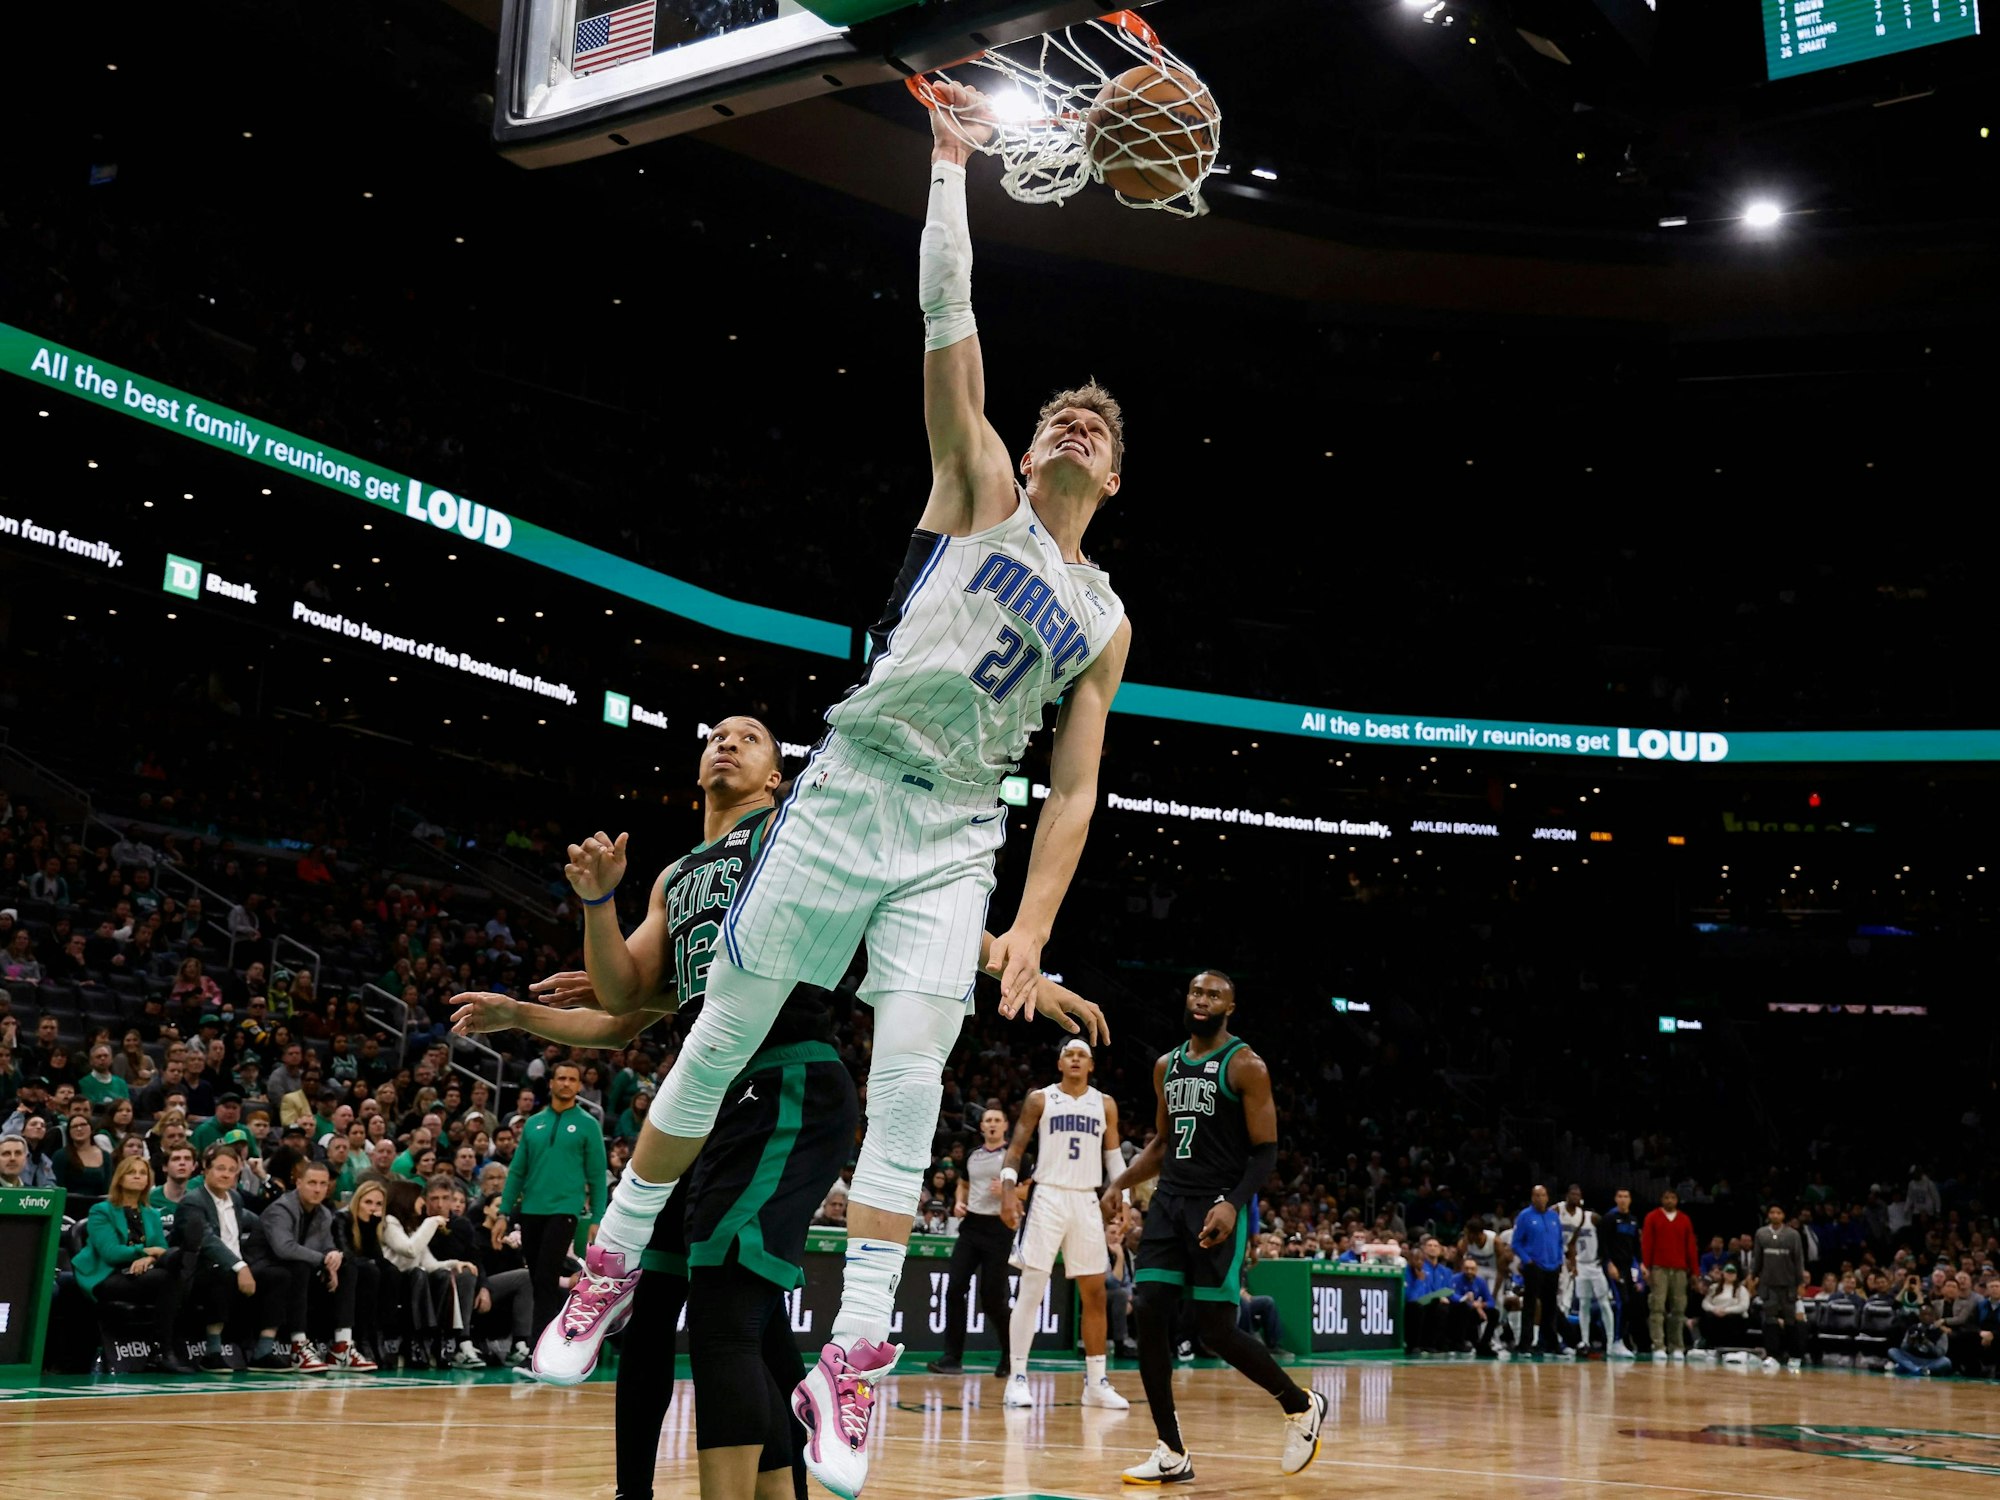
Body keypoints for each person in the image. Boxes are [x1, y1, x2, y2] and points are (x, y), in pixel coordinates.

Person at [563, 74, 1136, 1491]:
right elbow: (947, 322)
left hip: (955, 826)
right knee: (722, 1029)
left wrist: (1032, 930)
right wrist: (948, 167)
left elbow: (1072, 793)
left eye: (1098, 431)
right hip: (853, 780)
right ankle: (612, 1257)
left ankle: (858, 1354)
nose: (1074, 428)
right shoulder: (980, 487)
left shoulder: (1106, 618)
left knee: (914, 1075)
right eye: (1062, 418)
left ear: (1116, 482)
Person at [518, 718, 1105, 1390]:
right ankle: (781, 1427)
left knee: (724, 1303)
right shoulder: (675, 876)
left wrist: (1020, 969)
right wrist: (597, 903)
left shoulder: (793, 832)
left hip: (785, 1068)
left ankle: (844, 1368)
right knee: (697, 1302)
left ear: (776, 778)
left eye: (749, 738)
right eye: (717, 736)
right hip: (707, 1086)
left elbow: (922, 910)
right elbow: (625, 997)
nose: (726, 742)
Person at [1103, 970, 1326, 1485]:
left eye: (1214, 995)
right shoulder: (1166, 1065)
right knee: (1148, 1309)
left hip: (1216, 1204)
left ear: (1230, 1007)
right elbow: (1162, 1143)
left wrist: (1233, 1205)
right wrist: (1120, 1183)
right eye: (1197, 992)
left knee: (1216, 1330)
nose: (1203, 1000)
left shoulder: (1245, 1065)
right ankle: (1171, 1450)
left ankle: (1300, 1404)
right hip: (1168, 1203)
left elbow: (1265, 1151)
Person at [997, 1038, 1128, 1409]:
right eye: (1069, 1054)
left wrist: (1126, 1198)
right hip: (1048, 1196)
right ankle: (1017, 1377)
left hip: (1086, 1198)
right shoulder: (1041, 1099)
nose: (1075, 1059)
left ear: (1091, 1065)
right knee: (1032, 1288)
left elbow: (1114, 1157)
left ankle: (1096, 1383)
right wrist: (1008, 1191)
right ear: (1059, 1063)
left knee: (1095, 1293)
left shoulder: (1104, 1104)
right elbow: (1015, 1149)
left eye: (1081, 1055)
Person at [499, 1060, 605, 1346]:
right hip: (531, 1210)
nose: (566, 1083)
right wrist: (503, 1212)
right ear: (551, 1083)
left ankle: (539, 1347)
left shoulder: (588, 1125)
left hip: (565, 1210)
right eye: (561, 1078)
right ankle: (548, 1341)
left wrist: (598, 1217)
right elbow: (517, 1171)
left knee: (546, 1278)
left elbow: (597, 1175)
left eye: (572, 1079)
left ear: (579, 1085)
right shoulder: (533, 1124)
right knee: (537, 1279)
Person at [176, 1143, 292, 1372]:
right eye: (220, 1168)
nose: (226, 1174)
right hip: (201, 1270)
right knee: (222, 1273)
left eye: (231, 1170)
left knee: (279, 1275)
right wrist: (240, 1266)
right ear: (206, 1170)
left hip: (237, 1265)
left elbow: (258, 1222)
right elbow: (207, 1241)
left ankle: (263, 1352)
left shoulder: (236, 1199)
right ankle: (212, 1352)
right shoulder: (193, 1201)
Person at [74, 1156, 197, 1373]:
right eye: (132, 1172)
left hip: (141, 1273)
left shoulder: (151, 1213)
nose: (138, 1177)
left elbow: (160, 1248)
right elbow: (111, 1253)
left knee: (173, 1272)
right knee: (171, 1274)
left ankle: (163, 1350)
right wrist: (145, 1251)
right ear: (120, 1178)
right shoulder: (101, 1210)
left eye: (142, 1173)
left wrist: (148, 1259)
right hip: (107, 1275)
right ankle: (163, 1350)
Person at [258, 1159, 376, 1371]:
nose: (318, 1189)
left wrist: (333, 1256)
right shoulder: (281, 1209)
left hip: (299, 1269)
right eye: (312, 1183)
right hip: (265, 1268)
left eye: (323, 1184)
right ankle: (298, 1346)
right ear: (299, 1183)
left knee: (348, 1267)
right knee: (300, 1267)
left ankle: (342, 1346)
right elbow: (284, 1248)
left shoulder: (323, 1213)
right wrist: (323, 1260)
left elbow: (327, 1245)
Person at [926, 1106, 1014, 1376]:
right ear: (982, 1126)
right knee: (954, 1289)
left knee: (992, 1299)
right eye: (988, 1120)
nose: (992, 1124)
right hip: (972, 1226)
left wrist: (1008, 1191)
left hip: (999, 1228)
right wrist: (959, 1202)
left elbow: (1029, 1187)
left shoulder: (1014, 1156)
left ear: (1005, 1126)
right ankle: (952, 1358)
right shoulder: (973, 1155)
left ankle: (1011, 1356)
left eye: (997, 1120)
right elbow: (963, 1183)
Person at [382, 1178, 484, 1368]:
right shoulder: (389, 1222)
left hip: (415, 1282)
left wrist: (455, 1264)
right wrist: (432, 1222)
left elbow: (430, 1263)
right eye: (420, 1197)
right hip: (394, 1283)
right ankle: (415, 1341)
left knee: (442, 1275)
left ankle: (440, 1340)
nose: (422, 1202)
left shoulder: (413, 1226)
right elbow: (410, 1249)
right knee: (418, 1274)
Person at [1643, 1187, 1699, 1362]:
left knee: (1679, 1308)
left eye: (1672, 1198)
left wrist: (1695, 1271)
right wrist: (1646, 1266)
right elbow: (1647, 1243)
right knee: (1657, 1306)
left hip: (1680, 1269)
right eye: (1666, 1197)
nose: (1669, 1201)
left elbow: (1691, 1246)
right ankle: (1658, 1345)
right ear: (1662, 1199)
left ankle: (1677, 1346)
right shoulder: (1652, 1217)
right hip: (1658, 1267)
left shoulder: (1684, 1220)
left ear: (1677, 1200)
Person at [1749, 1202, 1805, 1372]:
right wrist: (1753, 1276)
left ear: (1783, 1215)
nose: (1775, 1215)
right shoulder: (1761, 1233)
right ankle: (1773, 1355)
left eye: (1778, 1212)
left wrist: (1800, 1283)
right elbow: (1757, 1258)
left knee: (1790, 1320)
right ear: (1768, 1215)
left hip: (1788, 1284)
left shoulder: (1793, 1235)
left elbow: (1798, 1260)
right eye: (1772, 1212)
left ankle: (1794, 1356)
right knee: (1770, 1320)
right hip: (1768, 1283)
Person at [1511, 1186, 1566, 1357]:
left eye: (1542, 1195)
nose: (1540, 1198)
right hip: (1534, 1266)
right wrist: (1528, 1260)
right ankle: (1525, 1344)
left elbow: (1559, 1241)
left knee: (1550, 1307)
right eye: (1536, 1195)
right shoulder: (1524, 1216)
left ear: (1547, 1197)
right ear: (1532, 1197)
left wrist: (1559, 1260)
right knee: (1530, 1306)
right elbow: (1516, 1243)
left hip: (1553, 1267)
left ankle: (1551, 1343)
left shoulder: (1554, 1216)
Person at [1569, 1205, 1618, 1358]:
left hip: (1595, 1264)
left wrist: (1605, 1257)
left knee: (1604, 1303)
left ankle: (1610, 1343)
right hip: (1581, 1265)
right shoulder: (1571, 1223)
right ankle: (1585, 1341)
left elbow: (1606, 1237)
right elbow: (1570, 1244)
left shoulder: (1593, 1218)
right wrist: (1573, 1263)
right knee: (1584, 1303)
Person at [1601, 1187, 1641, 1355]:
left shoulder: (1633, 1220)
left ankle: (1624, 1339)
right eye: (1620, 1196)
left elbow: (1636, 1246)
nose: (1623, 1199)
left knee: (1630, 1304)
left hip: (1627, 1267)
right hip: (1613, 1266)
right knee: (1620, 1302)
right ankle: (1615, 1341)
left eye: (1626, 1196)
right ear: (1616, 1199)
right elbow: (1603, 1244)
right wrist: (1609, 1264)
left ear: (1630, 1200)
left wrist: (1641, 1264)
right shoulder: (1610, 1218)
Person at [56, 1112, 111, 1200]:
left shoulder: (106, 1156)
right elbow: (58, 1188)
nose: (79, 1128)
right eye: (74, 1126)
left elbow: (108, 1189)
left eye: (83, 1125)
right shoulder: (60, 1156)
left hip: (98, 1205)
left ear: (91, 1128)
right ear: (69, 1132)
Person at [1888, 1302, 1951, 1377]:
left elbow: (1941, 1353)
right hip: (1913, 1358)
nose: (1926, 1317)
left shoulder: (1940, 1332)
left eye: (1929, 1315)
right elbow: (1903, 1347)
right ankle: (1917, 1369)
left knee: (1946, 1361)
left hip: (1930, 1360)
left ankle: (1909, 1368)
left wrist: (1928, 1343)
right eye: (1923, 1314)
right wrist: (1909, 1343)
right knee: (1892, 1351)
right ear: (1919, 1316)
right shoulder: (1912, 1328)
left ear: (1934, 1317)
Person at [1698, 1265, 1752, 1351]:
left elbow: (1743, 1306)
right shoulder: (1714, 1287)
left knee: (1732, 1320)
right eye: (1728, 1272)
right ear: (1723, 1273)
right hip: (1716, 1314)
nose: (1730, 1275)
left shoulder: (1741, 1289)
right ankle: (1710, 1345)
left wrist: (1726, 1311)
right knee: (1707, 1318)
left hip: (1734, 1317)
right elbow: (1705, 1303)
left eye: (1733, 1273)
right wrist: (1714, 1309)